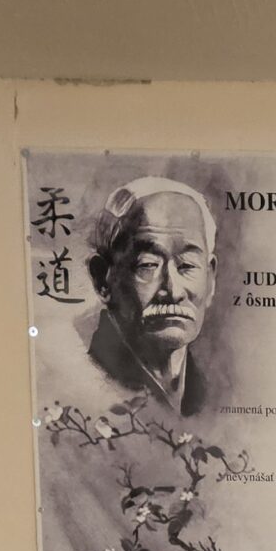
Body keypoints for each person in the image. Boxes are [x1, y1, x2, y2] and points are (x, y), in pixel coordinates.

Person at [75, 176, 218, 418]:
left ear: (211, 278)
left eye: (187, 266)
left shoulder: (209, 394)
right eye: (148, 265)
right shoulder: (79, 382)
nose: (174, 291)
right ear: (102, 280)